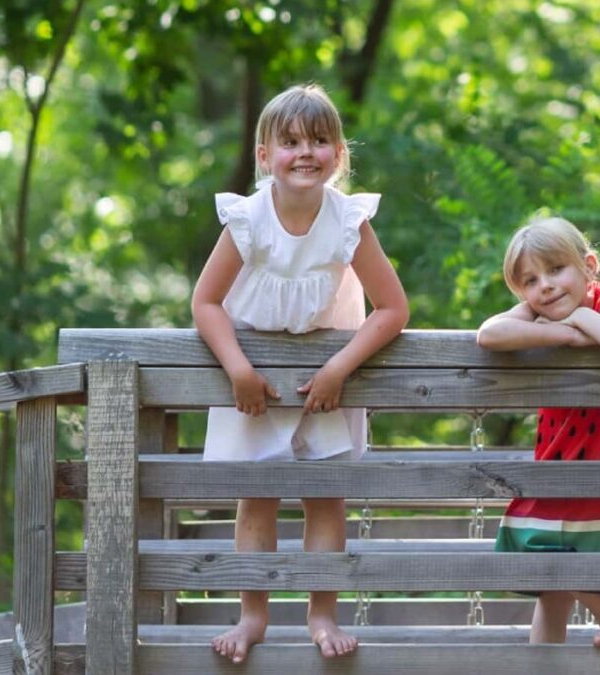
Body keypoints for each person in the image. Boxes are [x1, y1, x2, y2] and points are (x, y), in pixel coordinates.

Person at [192, 84, 409, 663]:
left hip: (325, 380)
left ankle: (321, 614)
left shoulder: (347, 222)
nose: (305, 152)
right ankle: (253, 616)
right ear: (265, 156)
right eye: (289, 142)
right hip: (254, 380)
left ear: (338, 154)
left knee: (324, 498)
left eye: (319, 140)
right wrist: (238, 370)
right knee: (257, 498)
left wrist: (339, 369)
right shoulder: (247, 220)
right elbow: (206, 303)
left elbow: (393, 308)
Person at [477, 216, 600, 646]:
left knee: (551, 559)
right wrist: (566, 335)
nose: (544, 286)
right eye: (530, 280)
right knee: (545, 570)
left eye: (555, 269)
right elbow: (489, 334)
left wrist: (584, 318)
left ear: (589, 266)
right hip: (556, 458)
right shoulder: (536, 312)